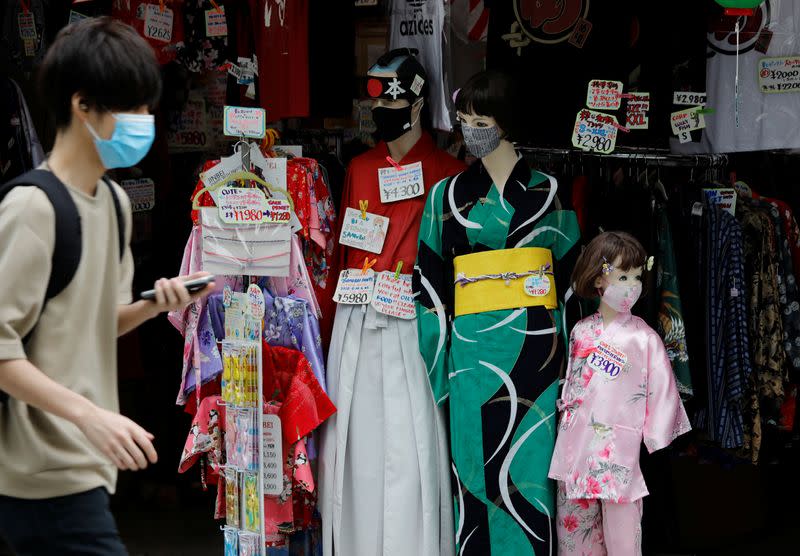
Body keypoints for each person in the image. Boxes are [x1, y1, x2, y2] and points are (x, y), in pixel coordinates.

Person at [0, 18, 214, 555]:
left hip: (84, 469)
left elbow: (98, 321)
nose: (144, 123)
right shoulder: (31, 208)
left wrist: (152, 305)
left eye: (147, 108)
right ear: (82, 106)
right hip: (36, 475)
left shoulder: (114, 205)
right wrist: (90, 414)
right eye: (132, 108)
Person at [413, 70, 580, 555]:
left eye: (480, 119)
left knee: (529, 476)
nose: (470, 129)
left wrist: (573, 365)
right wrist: (440, 361)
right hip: (471, 358)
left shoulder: (549, 192)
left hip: (537, 354)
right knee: (474, 475)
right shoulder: (445, 196)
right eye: (463, 119)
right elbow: (428, 288)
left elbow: (571, 283)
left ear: (504, 122)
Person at [319, 48, 465, 556]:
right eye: (375, 97)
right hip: (357, 316)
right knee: (357, 446)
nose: (381, 111)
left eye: (392, 97)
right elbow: (342, 252)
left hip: (417, 321)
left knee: (413, 445)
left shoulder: (450, 170)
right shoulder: (357, 167)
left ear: (419, 102)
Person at [548, 232, 691, 556]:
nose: (632, 285)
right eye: (623, 276)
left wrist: (653, 436)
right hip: (575, 453)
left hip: (618, 457)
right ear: (598, 279)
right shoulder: (580, 331)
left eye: (637, 277)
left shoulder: (645, 338)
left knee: (624, 543)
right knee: (574, 543)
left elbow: (663, 391)